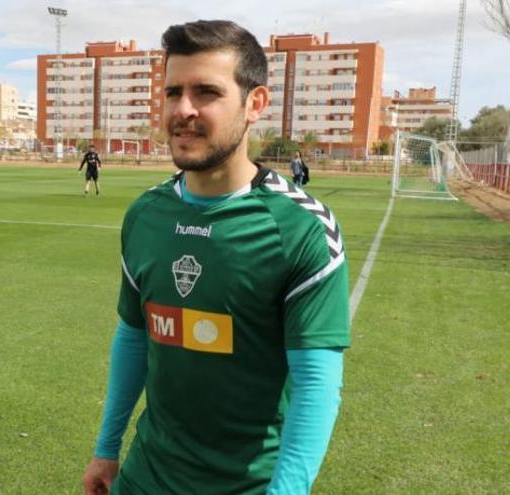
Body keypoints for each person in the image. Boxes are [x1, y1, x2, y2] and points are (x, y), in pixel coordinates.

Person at [82, 20, 350, 495]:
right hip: (145, 477)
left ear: (255, 104)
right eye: (173, 92)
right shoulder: (146, 214)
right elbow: (134, 337)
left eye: (206, 92)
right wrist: (106, 448)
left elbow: (316, 386)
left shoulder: (301, 227)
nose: (183, 110)